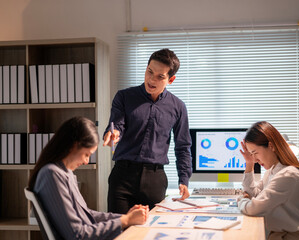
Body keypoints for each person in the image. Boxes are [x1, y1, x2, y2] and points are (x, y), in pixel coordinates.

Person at [28, 117, 149, 240]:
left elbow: (87, 214)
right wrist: (125, 220)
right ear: (74, 146)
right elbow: (77, 235)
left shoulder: (65, 173)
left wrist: (126, 217)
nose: (86, 162)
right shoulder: (52, 175)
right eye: (87, 155)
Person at [103, 48, 192, 213]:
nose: (152, 79)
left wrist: (184, 180)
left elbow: (183, 146)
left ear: (171, 79)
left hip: (155, 179)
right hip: (122, 176)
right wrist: (113, 134)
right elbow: (117, 125)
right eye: (150, 72)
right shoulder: (123, 97)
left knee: (150, 232)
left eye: (160, 77)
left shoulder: (178, 107)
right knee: (118, 232)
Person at [238, 121, 299, 240]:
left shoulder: (287, 175)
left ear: (271, 146)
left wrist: (242, 199)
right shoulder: (273, 170)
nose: (254, 159)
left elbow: (253, 208)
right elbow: (254, 193)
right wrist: (249, 163)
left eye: (255, 153)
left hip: (294, 237)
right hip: (282, 234)